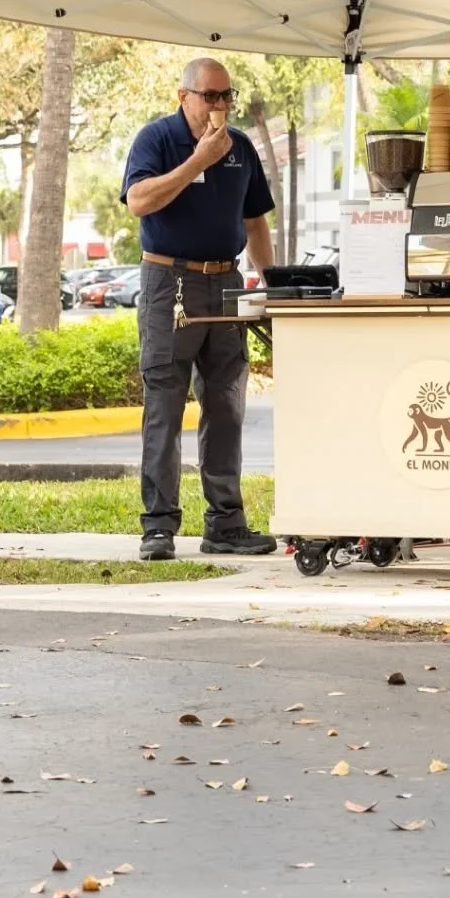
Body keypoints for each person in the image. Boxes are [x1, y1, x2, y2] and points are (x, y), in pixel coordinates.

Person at [121, 57, 278, 561]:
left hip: (225, 281)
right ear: (183, 96)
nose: (220, 105)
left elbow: (255, 221)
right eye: (210, 95)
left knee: (227, 404)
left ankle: (226, 524)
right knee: (164, 404)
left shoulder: (242, 148)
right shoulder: (157, 139)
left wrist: (270, 284)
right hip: (170, 280)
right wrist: (197, 162)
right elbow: (139, 201)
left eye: (226, 96)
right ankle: (159, 527)